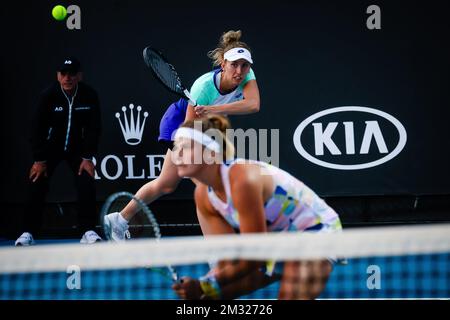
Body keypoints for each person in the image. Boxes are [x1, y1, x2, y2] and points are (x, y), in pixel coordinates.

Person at [104, 30, 260, 241]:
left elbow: (253, 105)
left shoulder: (246, 75)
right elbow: (189, 127)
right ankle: (216, 249)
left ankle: (119, 219)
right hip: (179, 126)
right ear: (223, 64)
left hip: (204, 126)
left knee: (165, 184)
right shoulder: (203, 88)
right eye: (234, 64)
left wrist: (213, 111)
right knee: (207, 187)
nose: (240, 70)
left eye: (244, 65)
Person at [170, 115, 344, 300]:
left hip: (314, 232)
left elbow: (256, 255)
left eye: (187, 147)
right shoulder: (203, 196)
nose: (177, 154)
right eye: (176, 147)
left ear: (212, 153)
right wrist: (205, 287)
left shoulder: (243, 179)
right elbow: (227, 259)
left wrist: (204, 284)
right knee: (211, 298)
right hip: (274, 241)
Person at [15, 57, 102, 246]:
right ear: (58, 76)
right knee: (36, 182)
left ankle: (87, 231)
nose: (67, 78)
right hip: (49, 148)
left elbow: (95, 128)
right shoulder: (48, 96)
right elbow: (35, 129)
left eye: (72, 74)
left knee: (86, 182)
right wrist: (39, 159)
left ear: (80, 76)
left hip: (78, 149)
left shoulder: (89, 95)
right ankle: (27, 232)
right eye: (63, 74)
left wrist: (88, 157)